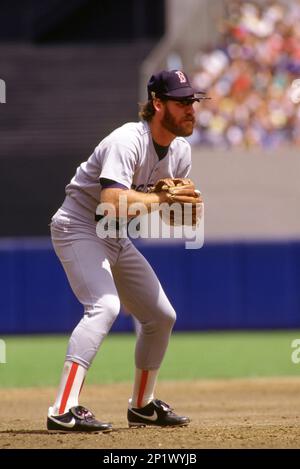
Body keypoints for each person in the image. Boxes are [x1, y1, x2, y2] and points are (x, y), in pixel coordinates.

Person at [47, 69, 203, 432]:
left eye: (193, 101)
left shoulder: (180, 151)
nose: (191, 109)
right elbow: (112, 202)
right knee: (104, 306)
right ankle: (62, 409)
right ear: (157, 103)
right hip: (79, 226)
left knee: (161, 316)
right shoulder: (127, 140)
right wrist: (163, 198)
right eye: (181, 102)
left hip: (116, 237)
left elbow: (170, 216)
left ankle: (142, 406)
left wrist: (186, 212)